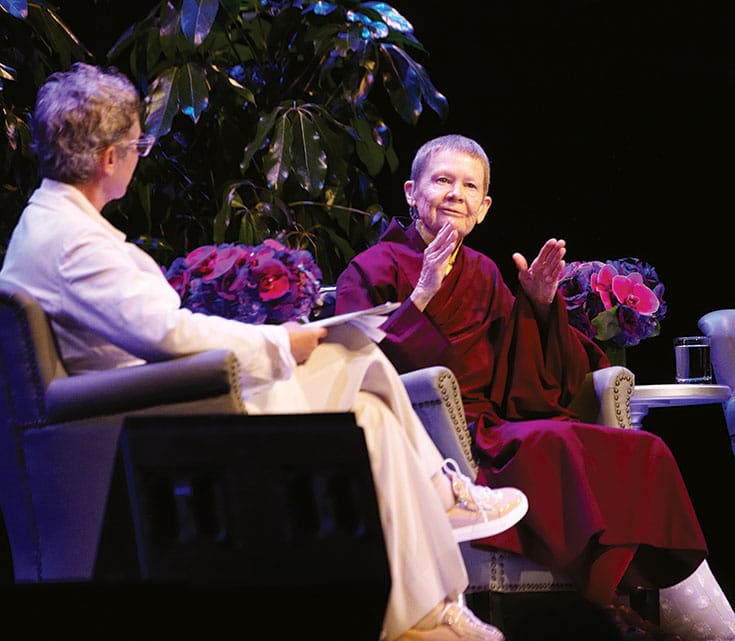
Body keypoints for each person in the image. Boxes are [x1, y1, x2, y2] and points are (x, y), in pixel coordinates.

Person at [0, 65, 531, 641]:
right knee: (355, 356)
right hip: (150, 420)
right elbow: (169, 335)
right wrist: (281, 340)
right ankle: (441, 508)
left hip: (144, 405)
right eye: (138, 145)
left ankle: (424, 614)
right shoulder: (74, 241)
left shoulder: (48, 222)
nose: (138, 157)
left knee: (374, 418)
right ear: (109, 157)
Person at [335, 133, 735, 641]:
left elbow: (531, 379)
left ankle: (634, 604)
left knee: (645, 449)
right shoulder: (371, 269)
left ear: (483, 208)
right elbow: (355, 366)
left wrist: (541, 307)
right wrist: (423, 293)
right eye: (442, 181)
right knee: (558, 442)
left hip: (502, 424)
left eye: (469, 187)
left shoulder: (483, 272)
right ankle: (606, 607)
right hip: (440, 444)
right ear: (412, 192)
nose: (456, 194)